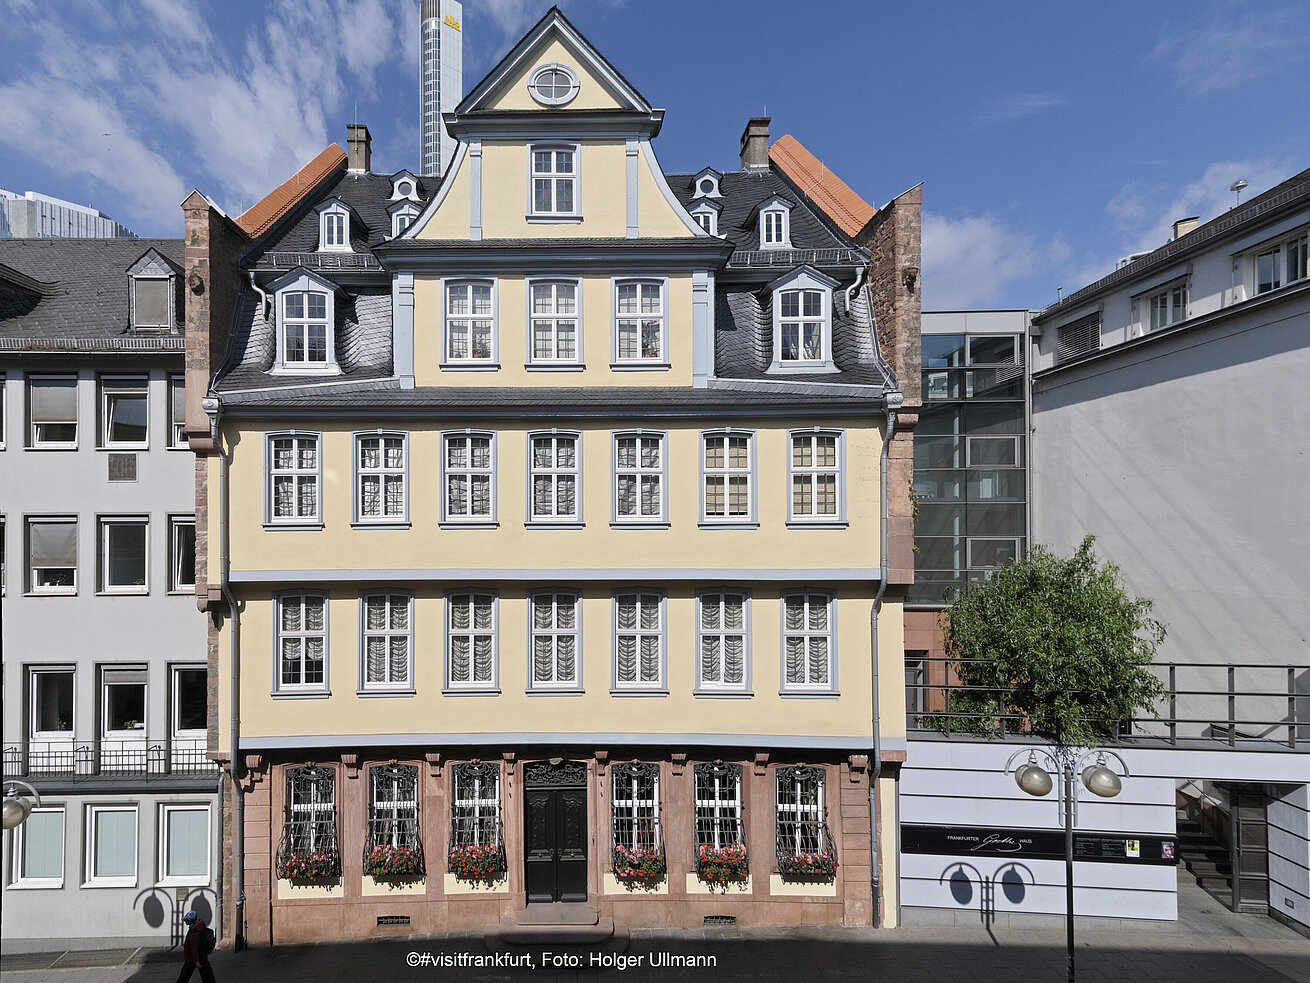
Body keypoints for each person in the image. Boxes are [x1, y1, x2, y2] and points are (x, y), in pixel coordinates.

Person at [177, 910, 216, 983]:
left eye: (186, 920)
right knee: (208, 976)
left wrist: (196, 961)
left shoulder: (193, 933)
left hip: (192, 958)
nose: (185, 922)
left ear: (190, 921)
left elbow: (194, 949)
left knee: (184, 977)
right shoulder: (200, 926)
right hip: (202, 956)